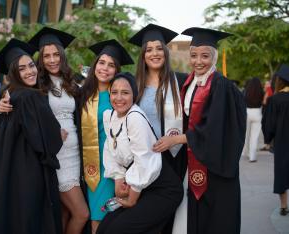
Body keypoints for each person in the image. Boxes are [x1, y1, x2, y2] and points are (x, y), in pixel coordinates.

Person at [153, 27, 246, 234]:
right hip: (194, 159)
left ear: (214, 57)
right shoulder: (190, 82)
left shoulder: (222, 87)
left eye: (205, 56)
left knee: (215, 219)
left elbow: (216, 128)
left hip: (216, 167)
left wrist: (176, 140)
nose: (198, 61)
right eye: (193, 55)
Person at [0, 38, 63, 234]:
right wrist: (58, 135)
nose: (29, 71)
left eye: (31, 65)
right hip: (31, 168)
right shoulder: (29, 96)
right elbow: (48, 138)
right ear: (13, 73)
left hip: (11, 170)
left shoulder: (13, 94)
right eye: (22, 69)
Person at [97, 72, 183, 234]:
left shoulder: (135, 117)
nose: (119, 98)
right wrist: (118, 179)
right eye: (114, 92)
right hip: (142, 187)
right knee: (104, 228)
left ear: (134, 96)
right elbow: (109, 150)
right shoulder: (110, 116)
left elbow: (145, 162)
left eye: (125, 93)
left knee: (117, 230)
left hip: (162, 190)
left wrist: (131, 199)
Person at [28, 26, 89, 233]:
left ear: (62, 56)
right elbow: (11, 94)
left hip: (74, 154)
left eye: (56, 55)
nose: (52, 60)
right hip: (57, 156)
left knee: (64, 212)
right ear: (41, 60)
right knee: (81, 213)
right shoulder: (35, 83)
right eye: (47, 56)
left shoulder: (70, 83)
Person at [128, 23, 187, 233]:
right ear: (143, 55)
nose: (155, 54)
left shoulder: (180, 82)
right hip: (144, 159)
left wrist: (177, 140)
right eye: (149, 50)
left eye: (159, 48)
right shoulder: (134, 86)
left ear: (166, 52)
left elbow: (195, 121)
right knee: (148, 215)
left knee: (171, 214)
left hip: (174, 157)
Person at [81, 39, 134, 233]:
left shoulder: (120, 96)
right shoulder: (83, 94)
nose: (105, 68)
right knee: (97, 216)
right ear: (95, 65)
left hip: (116, 164)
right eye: (101, 63)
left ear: (117, 70)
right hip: (92, 166)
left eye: (111, 65)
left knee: (111, 217)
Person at [262, 64, 289, 216]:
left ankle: (284, 206)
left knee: (282, 173)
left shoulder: (275, 100)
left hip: (282, 142)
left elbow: (269, 124)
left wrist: (268, 138)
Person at [242, 77, 264, 162]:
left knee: (246, 135)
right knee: (254, 137)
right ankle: (252, 156)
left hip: (247, 112)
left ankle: (245, 152)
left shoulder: (247, 92)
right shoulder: (261, 92)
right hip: (258, 113)